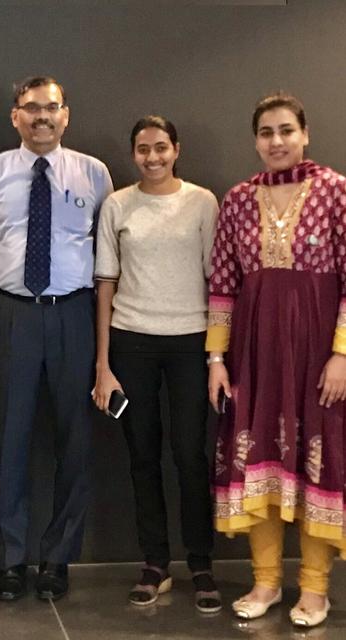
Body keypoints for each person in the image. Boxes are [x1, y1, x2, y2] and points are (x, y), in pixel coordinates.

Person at [0, 76, 112, 601]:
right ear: (15, 116)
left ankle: (57, 558)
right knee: (7, 439)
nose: (41, 117)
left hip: (74, 314)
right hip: (12, 315)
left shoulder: (94, 173)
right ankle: (10, 559)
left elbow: (105, 253)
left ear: (66, 115)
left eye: (51, 108)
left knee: (75, 439)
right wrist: (9, 304)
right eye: (31, 108)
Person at [207, 92, 346, 629]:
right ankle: (266, 581)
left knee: (318, 457)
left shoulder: (335, 193)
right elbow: (222, 284)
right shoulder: (238, 200)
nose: (276, 141)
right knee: (258, 455)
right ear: (255, 140)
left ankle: (314, 590)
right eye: (266, 132)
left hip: (318, 356)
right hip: (255, 353)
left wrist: (340, 355)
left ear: (305, 133)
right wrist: (217, 360)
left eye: (286, 130)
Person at [92, 116, 220, 612]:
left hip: (190, 341)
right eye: (143, 149)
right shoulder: (117, 205)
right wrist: (103, 366)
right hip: (131, 344)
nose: (152, 157)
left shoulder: (203, 202)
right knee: (142, 455)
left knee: (190, 455)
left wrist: (215, 355)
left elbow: (218, 284)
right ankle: (155, 563)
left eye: (161, 147)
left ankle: (202, 562)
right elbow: (105, 285)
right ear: (133, 154)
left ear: (176, 150)